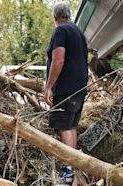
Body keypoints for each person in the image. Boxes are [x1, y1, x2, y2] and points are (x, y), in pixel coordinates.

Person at [44, 2, 88, 150]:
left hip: (66, 89)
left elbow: (58, 60)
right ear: (68, 15)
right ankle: (72, 165)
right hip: (79, 88)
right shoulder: (78, 32)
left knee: (64, 127)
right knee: (71, 126)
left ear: (54, 17)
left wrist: (49, 87)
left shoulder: (61, 31)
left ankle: (68, 168)